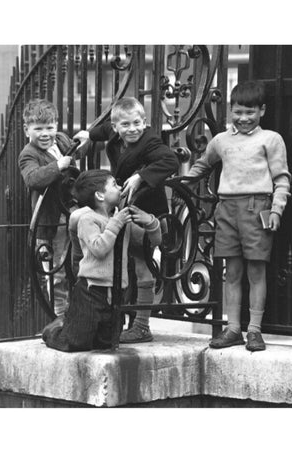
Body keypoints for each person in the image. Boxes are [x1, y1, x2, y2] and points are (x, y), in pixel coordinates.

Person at [184, 81, 291, 352]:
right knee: (231, 271)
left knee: (256, 270)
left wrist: (276, 209)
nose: (243, 118)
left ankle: (254, 330)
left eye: (250, 112)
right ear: (230, 111)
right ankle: (233, 329)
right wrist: (182, 181)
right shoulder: (220, 141)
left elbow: (281, 179)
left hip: (258, 209)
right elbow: (202, 165)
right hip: (227, 209)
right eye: (238, 112)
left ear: (262, 111)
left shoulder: (271, 139)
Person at [74, 97, 179, 343]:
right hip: (125, 210)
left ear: (144, 122)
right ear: (116, 126)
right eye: (125, 125)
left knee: (143, 266)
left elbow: (172, 160)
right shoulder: (113, 131)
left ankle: (142, 326)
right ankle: (108, 315)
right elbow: (101, 130)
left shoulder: (150, 141)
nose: (132, 129)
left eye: (137, 123)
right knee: (121, 263)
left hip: (149, 213)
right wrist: (88, 135)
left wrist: (142, 176)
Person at [42, 169, 162, 352]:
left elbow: (154, 242)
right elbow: (99, 248)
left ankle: (72, 324)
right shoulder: (88, 220)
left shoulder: (120, 220)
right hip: (91, 290)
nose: (120, 187)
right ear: (99, 195)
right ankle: (54, 329)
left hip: (116, 293)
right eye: (114, 185)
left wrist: (150, 222)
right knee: (75, 343)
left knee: (106, 342)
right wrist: (117, 223)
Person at [18, 99, 79, 318]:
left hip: (71, 215)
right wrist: (58, 166)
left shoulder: (61, 141)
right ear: (27, 130)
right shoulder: (28, 154)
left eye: (50, 127)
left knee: (75, 265)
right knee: (56, 272)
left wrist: (84, 140)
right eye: (38, 129)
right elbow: (33, 178)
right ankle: (59, 318)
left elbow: (76, 152)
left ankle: (77, 313)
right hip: (50, 223)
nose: (45, 134)